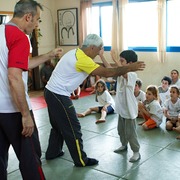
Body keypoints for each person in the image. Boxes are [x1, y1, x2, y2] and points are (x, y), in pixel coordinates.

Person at [44, 34, 145, 167]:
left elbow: (107, 69)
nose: (98, 54)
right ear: (92, 47)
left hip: (50, 92)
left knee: (58, 126)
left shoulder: (76, 53)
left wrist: (110, 60)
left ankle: (53, 152)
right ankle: (81, 160)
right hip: (58, 95)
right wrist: (130, 66)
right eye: (98, 51)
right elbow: (108, 72)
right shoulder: (83, 59)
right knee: (73, 128)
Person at [0, 1, 63, 179]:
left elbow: (19, 65)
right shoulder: (20, 37)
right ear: (28, 17)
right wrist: (25, 115)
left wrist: (48, 55)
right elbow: (14, 76)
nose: (37, 24)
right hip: (13, 111)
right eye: (37, 20)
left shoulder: (1, 32)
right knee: (31, 160)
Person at [113, 50, 141, 163]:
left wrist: (114, 59)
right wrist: (101, 56)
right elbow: (110, 70)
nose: (119, 63)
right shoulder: (121, 73)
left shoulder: (132, 74)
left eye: (121, 61)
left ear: (130, 64)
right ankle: (124, 145)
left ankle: (136, 152)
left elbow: (124, 73)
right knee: (121, 130)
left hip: (129, 110)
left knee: (131, 133)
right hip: (121, 109)